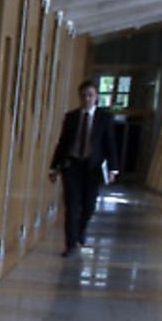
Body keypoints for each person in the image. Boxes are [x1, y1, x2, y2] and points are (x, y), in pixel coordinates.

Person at [48, 82, 121, 256]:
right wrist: (54, 167)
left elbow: (110, 143)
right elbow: (63, 143)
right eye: (83, 95)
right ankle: (70, 245)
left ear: (96, 97)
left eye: (90, 95)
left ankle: (81, 230)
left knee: (89, 205)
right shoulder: (71, 117)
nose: (86, 99)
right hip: (72, 166)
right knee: (72, 205)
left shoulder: (104, 118)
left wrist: (113, 169)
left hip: (93, 167)